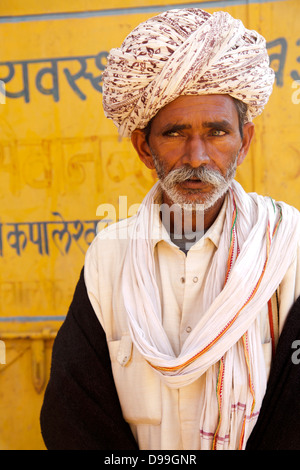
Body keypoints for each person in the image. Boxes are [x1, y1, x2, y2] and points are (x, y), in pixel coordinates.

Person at [40, 8, 300, 450]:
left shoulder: (288, 245)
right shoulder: (110, 255)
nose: (197, 156)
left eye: (217, 132)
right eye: (175, 134)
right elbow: (74, 412)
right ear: (145, 147)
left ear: (246, 141)